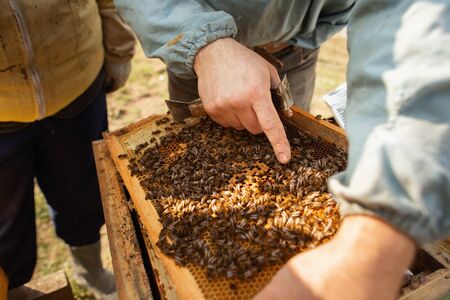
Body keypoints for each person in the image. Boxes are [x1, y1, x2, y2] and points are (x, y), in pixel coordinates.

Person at [115, 0, 450, 299]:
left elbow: (411, 17)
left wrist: (375, 239)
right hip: (199, 54)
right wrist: (203, 45)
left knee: (287, 135)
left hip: (294, 49)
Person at [0, 0, 135, 298]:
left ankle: (90, 271)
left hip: (77, 78)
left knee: (85, 197)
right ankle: (14, 290)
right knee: (4, 228)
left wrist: (118, 45)